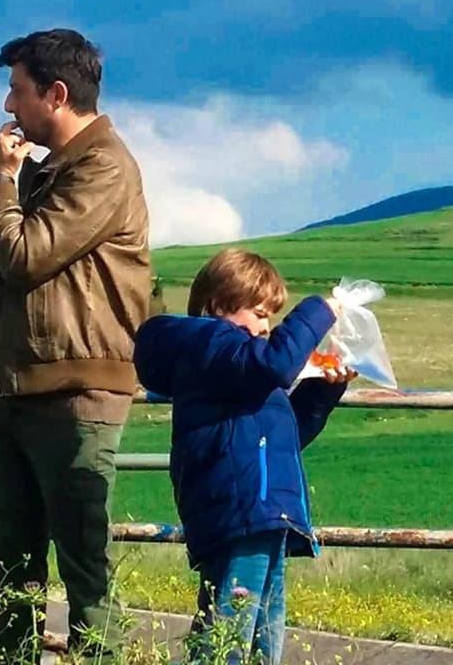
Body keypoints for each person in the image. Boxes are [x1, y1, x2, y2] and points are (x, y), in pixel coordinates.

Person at [0, 28, 150, 664]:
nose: (9, 107)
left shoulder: (103, 167)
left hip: (74, 395)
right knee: (10, 565)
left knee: (83, 564)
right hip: (17, 390)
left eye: (17, 91)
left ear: (56, 94)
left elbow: (30, 253)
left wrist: (1, 182)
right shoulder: (58, 170)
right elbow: (43, 272)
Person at [132, 249, 355, 664]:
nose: (265, 327)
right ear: (219, 306)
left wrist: (324, 390)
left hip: (260, 509)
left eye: (271, 316)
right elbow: (275, 365)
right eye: (258, 313)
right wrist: (318, 310)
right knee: (228, 634)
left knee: (262, 635)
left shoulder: (242, 367)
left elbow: (280, 439)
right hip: (240, 509)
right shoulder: (212, 345)